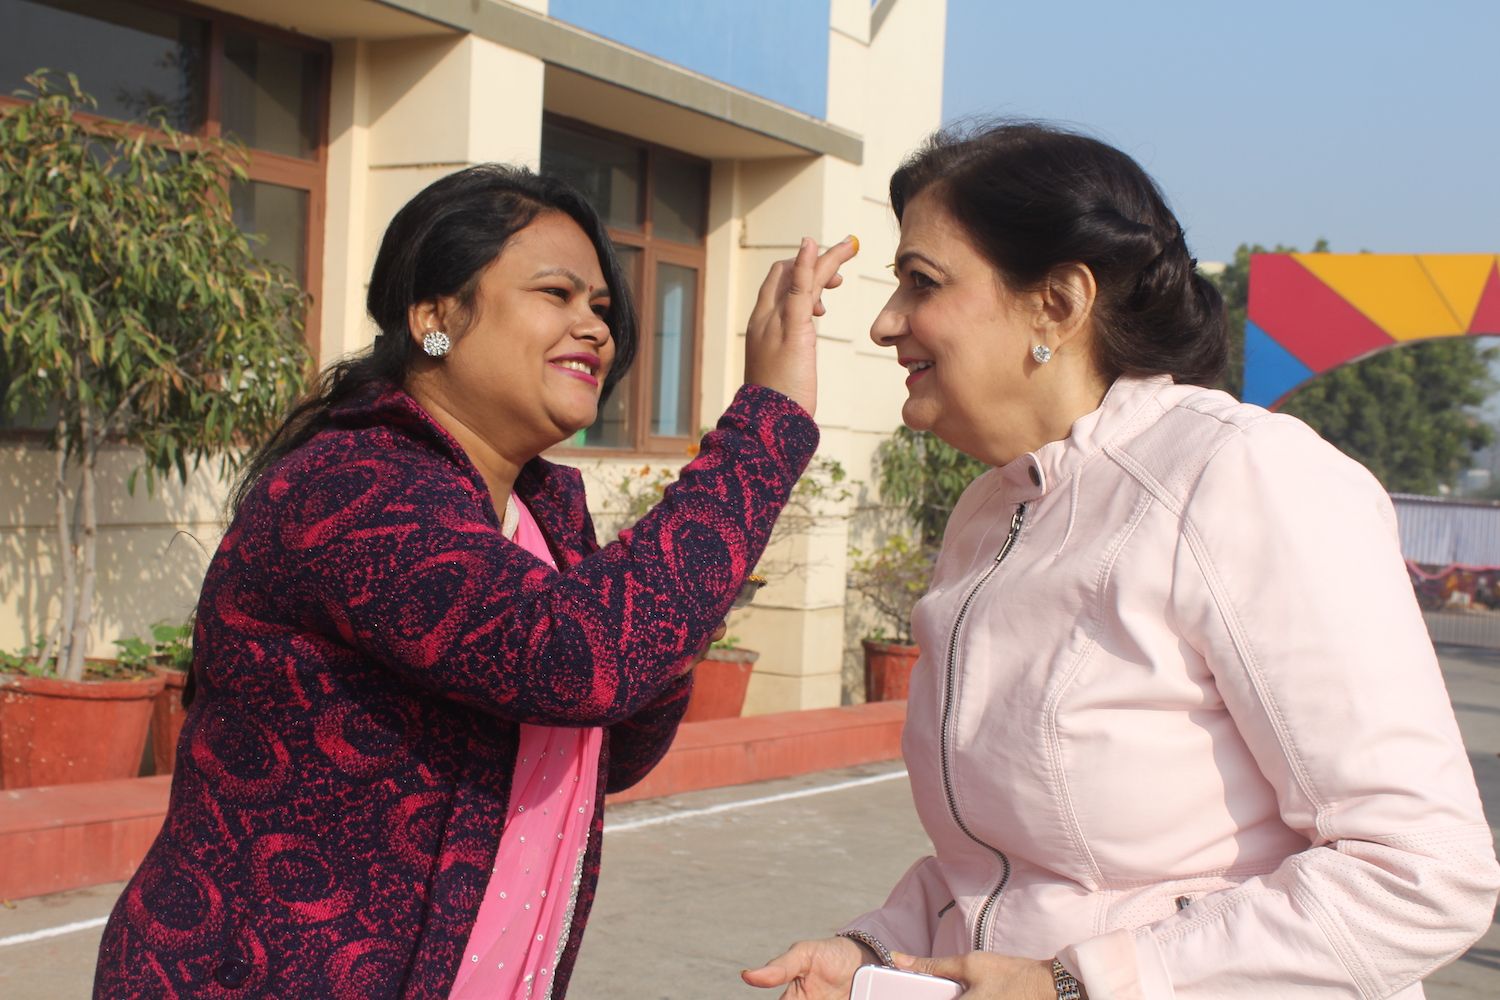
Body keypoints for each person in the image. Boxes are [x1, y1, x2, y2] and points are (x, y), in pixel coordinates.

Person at [744, 123, 1500, 1000]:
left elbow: (1423, 875)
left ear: (1057, 305)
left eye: (923, 283)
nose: (886, 323)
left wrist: (1082, 985)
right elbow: (1014, 870)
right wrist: (879, 948)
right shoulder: (990, 513)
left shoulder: (1238, 476)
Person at [93, 164, 856, 999]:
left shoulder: (541, 516)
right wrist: (767, 423)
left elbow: (611, 743)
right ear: (434, 320)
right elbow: (583, 661)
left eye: (601, 307)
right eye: (557, 294)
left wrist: (677, 619)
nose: (593, 328)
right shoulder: (353, 488)